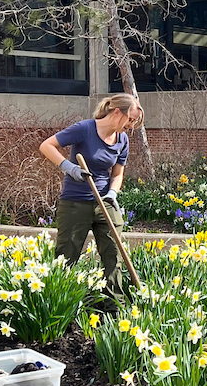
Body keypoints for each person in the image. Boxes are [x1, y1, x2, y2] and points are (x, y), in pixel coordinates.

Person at [39, 94, 143, 297]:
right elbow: (46, 146)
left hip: (105, 202)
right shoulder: (84, 129)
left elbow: (118, 173)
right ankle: (60, 306)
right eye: (130, 119)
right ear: (116, 112)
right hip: (75, 203)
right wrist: (69, 167)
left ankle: (115, 308)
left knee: (114, 254)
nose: (131, 126)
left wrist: (113, 192)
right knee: (66, 256)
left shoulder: (122, 140)